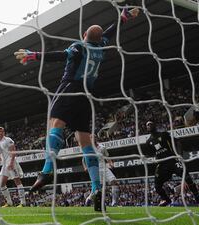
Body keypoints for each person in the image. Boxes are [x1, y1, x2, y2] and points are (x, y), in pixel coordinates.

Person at [14, 8, 139, 211]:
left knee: (55, 124)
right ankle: (97, 188)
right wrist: (123, 17)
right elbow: (109, 32)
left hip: (70, 87)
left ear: (84, 36)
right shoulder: (102, 45)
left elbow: (59, 56)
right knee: (85, 141)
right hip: (88, 95)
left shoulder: (78, 47)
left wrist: (34, 55)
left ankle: (46, 171)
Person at [145, 121, 199, 206]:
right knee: (157, 186)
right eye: (147, 125)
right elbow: (152, 153)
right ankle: (166, 200)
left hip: (172, 161)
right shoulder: (148, 142)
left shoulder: (163, 134)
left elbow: (177, 141)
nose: (149, 126)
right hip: (162, 165)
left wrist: (179, 154)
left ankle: (197, 196)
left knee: (187, 176)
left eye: (150, 124)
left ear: (155, 125)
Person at [0, 127, 26, 207]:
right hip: (4, 164)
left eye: (2, 131)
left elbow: (13, 151)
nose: (1, 132)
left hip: (11, 162)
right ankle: (9, 202)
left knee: (17, 181)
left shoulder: (8, 140)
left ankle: (23, 203)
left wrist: (11, 162)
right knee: (1, 183)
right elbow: (2, 155)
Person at [82, 137, 119, 207]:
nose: (93, 139)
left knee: (114, 181)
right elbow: (83, 160)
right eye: (91, 138)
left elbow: (107, 157)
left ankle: (114, 202)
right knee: (98, 188)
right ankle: (89, 199)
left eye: (94, 137)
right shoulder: (89, 149)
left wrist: (110, 163)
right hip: (95, 169)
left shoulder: (102, 147)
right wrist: (85, 167)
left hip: (104, 167)